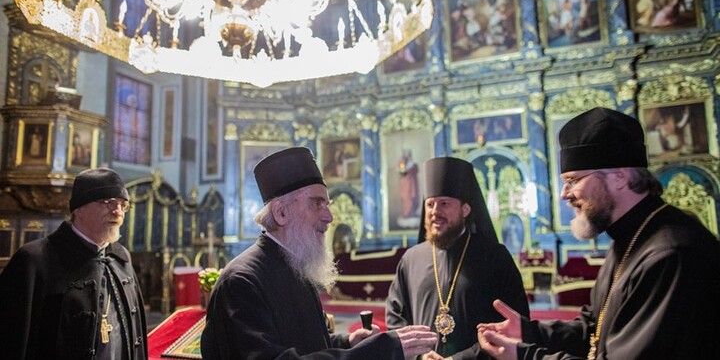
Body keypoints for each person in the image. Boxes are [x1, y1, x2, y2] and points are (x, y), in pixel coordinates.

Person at [477, 107, 720, 360]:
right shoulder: (628, 238)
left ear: (619, 177)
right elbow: (596, 329)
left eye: (573, 180)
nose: (564, 194)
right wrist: (529, 333)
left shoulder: (671, 254)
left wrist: (525, 357)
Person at [201, 147, 437, 359]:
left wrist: (348, 342)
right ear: (281, 212)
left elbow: (305, 343)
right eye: (317, 204)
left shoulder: (295, 264)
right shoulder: (241, 281)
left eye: (327, 204)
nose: (329, 217)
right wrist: (375, 351)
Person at [387, 157, 529, 359]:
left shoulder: (495, 257)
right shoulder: (410, 260)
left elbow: (514, 324)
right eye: (430, 204)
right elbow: (396, 318)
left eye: (444, 204)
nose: (435, 212)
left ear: (465, 210)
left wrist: (460, 359)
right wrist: (419, 356)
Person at [0, 168, 147, 360]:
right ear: (79, 208)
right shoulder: (34, 260)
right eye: (109, 202)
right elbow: (10, 340)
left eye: (123, 205)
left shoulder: (121, 258)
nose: (118, 211)